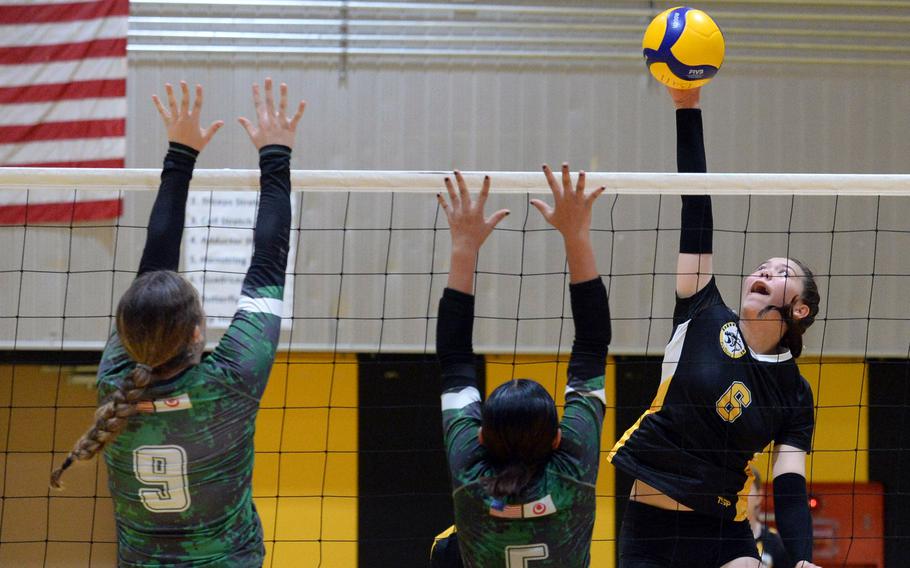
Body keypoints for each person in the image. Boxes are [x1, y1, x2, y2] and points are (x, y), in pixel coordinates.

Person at [50, 78, 305, 567]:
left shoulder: (120, 386)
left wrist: (268, 155)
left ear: (127, 331)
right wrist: (195, 154)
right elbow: (267, 264)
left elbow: (261, 264)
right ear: (195, 333)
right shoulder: (216, 385)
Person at [608, 86, 822, 568]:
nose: (765, 272)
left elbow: (789, 479)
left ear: (801, 310)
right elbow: (697, 208)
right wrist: (687, 108)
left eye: (782, 273)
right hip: (650, 526)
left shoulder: (794, 393)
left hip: (723, 534)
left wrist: (804, 558)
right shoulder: (703, 311)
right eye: (763, 267)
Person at [433, 166, 610, 567]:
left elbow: (455, 359)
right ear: (555, 440)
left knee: (445, 551)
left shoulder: (472, 475)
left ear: (481, 436)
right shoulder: (570, 470)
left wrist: (464, 246)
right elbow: (593, 345)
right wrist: (576, 234)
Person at [748, 466, 792, 568]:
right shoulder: (719, 537)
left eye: (746, 489)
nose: (739, 495)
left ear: (759, 497)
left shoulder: (774, 541)